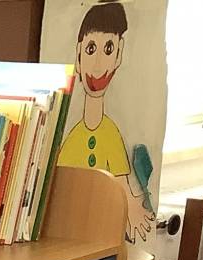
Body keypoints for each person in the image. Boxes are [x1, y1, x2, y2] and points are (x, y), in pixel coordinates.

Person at [57, 1, 153, 242]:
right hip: (72, 234)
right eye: (91, 49)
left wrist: (134, 206)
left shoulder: (110, 134)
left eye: (108, 49)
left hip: (103, 236)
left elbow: (121, 184)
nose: (99, 65)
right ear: (78, 56)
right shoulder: (72, 140)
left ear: (119, 54)